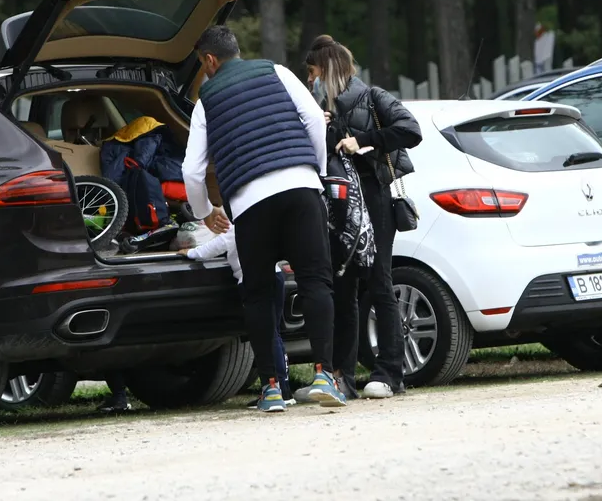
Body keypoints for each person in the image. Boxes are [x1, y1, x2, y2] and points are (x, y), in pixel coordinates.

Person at [182, 25, 346, 412]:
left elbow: (191, 170)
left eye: (202, 65)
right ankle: (325, 375)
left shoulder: (206, 100)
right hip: (300, 187)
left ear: (210, 60)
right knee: (315, 281)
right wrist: (316, 172)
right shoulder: (278, 71)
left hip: (250, 202)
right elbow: (313, 119)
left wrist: (206, 213)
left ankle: (272, 388)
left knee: (257, 294)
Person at [303, 35, 422, 400]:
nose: (310, 80)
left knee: (379, 282)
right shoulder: (318, 109)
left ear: (327, 69)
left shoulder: (373, 97)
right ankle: (342, 376)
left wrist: (362, 139)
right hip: (338, 206)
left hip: (375, 199)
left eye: (313, 72)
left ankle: (390, 373)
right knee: (343, 288)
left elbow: (411, 130)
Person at [178, 226, 294, 406]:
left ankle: (274, 390)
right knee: (274, 333)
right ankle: (284, 390)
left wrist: (191, 252)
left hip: (252, 279)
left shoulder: (238, 223)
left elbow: (217, 246)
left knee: (264, 335)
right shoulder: (263, 221)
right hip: (275, 275)